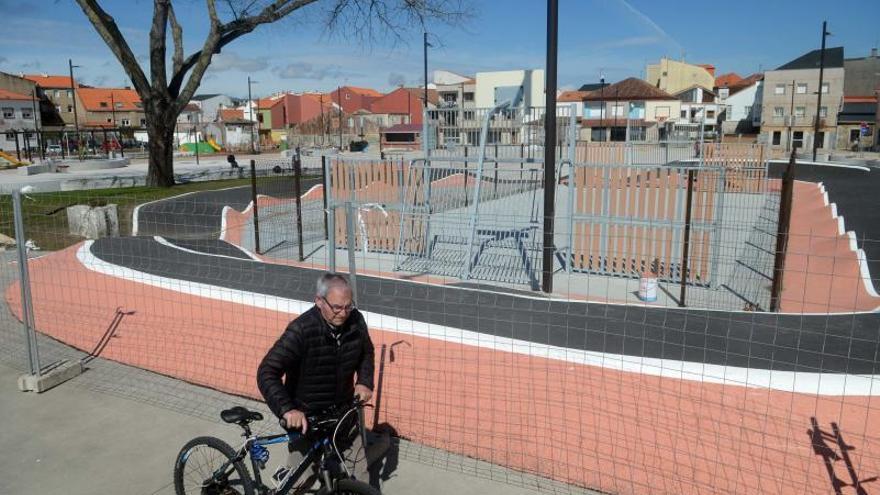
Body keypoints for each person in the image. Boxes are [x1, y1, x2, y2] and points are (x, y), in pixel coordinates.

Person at [257, 272, 375, 490]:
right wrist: (288, 409)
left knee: (360, 475)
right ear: (319, 301)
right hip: (306, 420)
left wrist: (365, 381)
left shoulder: (356, 321)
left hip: (342, 415)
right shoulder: (301, 330)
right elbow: (266, 371)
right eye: (337, 307)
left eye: (348, 306)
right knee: (300, 480)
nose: (344, 313)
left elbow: (366, 352)